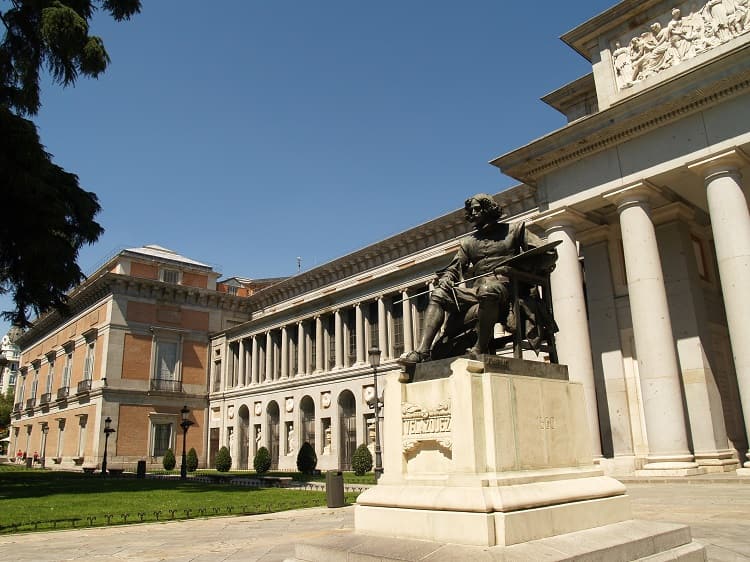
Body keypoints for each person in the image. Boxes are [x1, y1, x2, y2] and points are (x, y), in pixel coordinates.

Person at [399, 193, 542, 364]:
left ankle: (479, 347)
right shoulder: (468, 242)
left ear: (489, 208)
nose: (473, 213)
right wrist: (447, 278)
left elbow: (544, 253)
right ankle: (422, 352)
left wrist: (521, 268)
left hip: (508, 290)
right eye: (471, 210)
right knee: (438, 294)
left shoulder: (515, 230)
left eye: (477, 209)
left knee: (489, 290)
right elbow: (454, 268)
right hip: (476, 291)